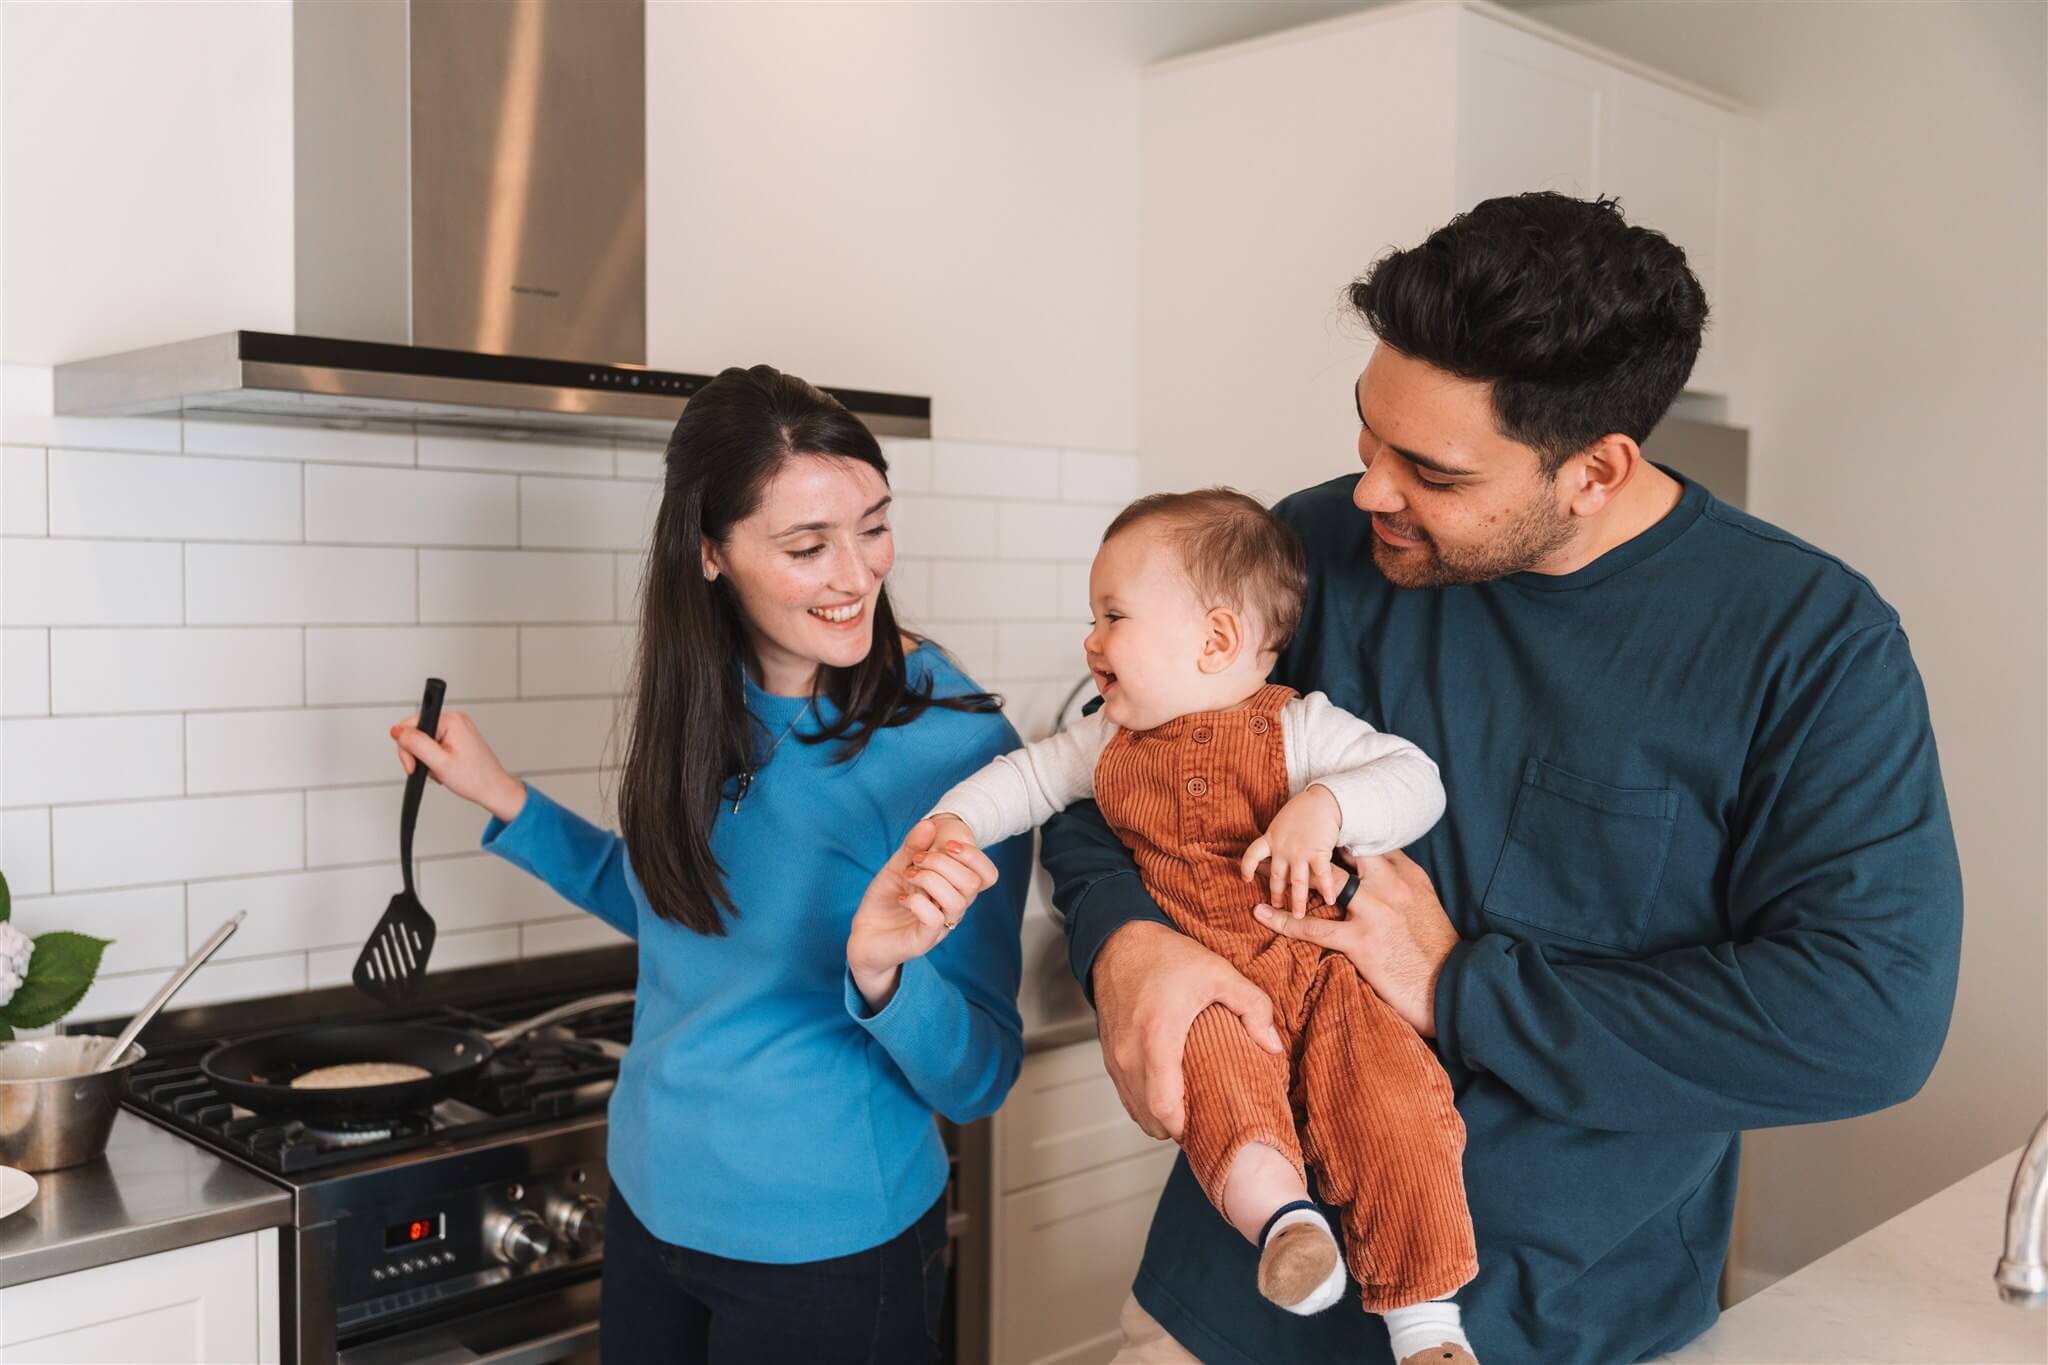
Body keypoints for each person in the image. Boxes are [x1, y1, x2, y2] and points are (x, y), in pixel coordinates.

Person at [1040, 193, 1964, 1365]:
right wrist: (1125, 944)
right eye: (1367, 435)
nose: (1372, 488)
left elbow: (1866, 1022)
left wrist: (1460, 988)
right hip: (1234, 1295)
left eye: (1427, 469)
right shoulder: (1314, 549)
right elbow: (1093, 778)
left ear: (1593, 470)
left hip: (1559, 1319)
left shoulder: (1808, 645)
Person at [388, 364, 1030, 1365]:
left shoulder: (957, 750)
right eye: (807, 546)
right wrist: (502, 797)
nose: (855, 574)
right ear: (707, 552)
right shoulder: (702, 700)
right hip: (652, 1213)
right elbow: (680, 909)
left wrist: (881, 971)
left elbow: (980, 1074)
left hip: (830, 1255)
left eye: (872, 527)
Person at [903, 488, 1481, 1365]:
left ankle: (1429, 1328)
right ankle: (1287, 1227)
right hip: (1216, 987)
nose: (1090, 641)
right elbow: (1020, 782)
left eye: (1112, 615)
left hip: (1327, 978)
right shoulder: (1102, 740)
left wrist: (1324, 806)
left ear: (1214, 640)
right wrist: (953, 821)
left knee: (1395, 1108)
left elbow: (1414, 780)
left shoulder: (1300, 725)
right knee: (1216, 1093)